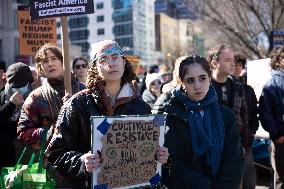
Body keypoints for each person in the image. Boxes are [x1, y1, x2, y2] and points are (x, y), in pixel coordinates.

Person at [45, 40, 169, 189]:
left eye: (115, 57)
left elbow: (150, 155)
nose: (111, 63)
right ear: (95, 68)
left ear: (124, 63)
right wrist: (81, 162)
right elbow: (54, 155)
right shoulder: (78, 105)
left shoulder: (140, 107)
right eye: (103, 59)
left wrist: (160, 157)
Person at [162, 55, 244, 189]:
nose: (197, 86)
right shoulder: (172, 117)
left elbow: (234, 161)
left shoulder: (226, 116)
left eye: (202, 78)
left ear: (210, 79)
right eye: (190, 80)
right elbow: (172, 165)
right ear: (182, 83)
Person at [17, 44, 85, 161]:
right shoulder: (36, 97)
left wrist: (76, 107)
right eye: (45, 61)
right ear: (41, 67)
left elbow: (97, 123)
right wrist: (51, 132)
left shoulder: (83, 90)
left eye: (54, 59)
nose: (50, 64)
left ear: (62, 62)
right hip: (52, 164)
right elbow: (23, 132)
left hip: (85, 161)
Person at [207, 44, 254, 188]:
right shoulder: (205, 88)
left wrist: (246, 140)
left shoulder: (237, 86)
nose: (233, 63)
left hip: (237, 146)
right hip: (212, 149)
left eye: (233, 59)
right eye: (228, 60)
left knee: (241, 183)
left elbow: (244, 116)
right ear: (215, 63)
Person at [259, 46, 284, 189]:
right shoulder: (271, 84)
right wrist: (277, 135)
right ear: (279, 59)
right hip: (281, 140)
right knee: (281, 178)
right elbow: (265, 112)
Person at [0, 62, 33, 170]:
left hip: (28, 155)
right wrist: (11, 104)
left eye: (21, 86)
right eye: (15, 86)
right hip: (5, 156)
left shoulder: (36, 97)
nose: (18, 90)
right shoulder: (2, 95)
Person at [233, 53, 259, 189]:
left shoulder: (248, 90)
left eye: (240, 65)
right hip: (230, 143)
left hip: (246, 141)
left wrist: (251, 133)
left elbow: (254, 114)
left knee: (249, 181)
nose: (237, 68)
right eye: (234, 64)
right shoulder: (226, 88)